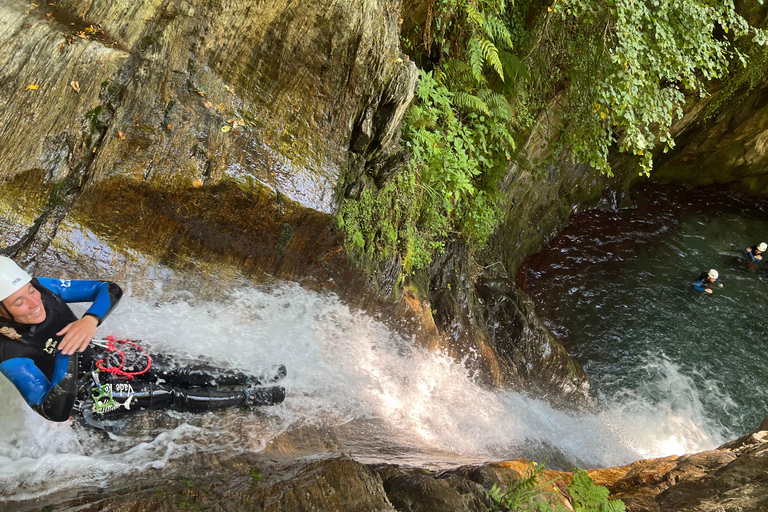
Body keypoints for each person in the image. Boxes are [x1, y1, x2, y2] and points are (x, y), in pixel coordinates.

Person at [0, 256, 285, 430]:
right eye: (19, 301)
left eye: (30, 291)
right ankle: (250, 398)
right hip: (86, 396)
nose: (34, 302)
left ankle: (254, 377)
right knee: (171, 394)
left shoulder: (42, 287)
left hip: (100, 357)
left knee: (177, 370)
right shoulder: (9, 353)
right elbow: (54, 412)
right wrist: (68, 355)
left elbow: (108, 288)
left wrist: (89, 321)